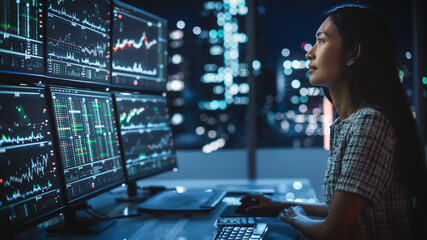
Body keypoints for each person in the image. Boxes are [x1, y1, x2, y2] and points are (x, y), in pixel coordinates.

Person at [240, 4, 427, 239]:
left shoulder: (369, 123)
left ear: (353, 53)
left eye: (322, 40)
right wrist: (277, 206)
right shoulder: (348, 124)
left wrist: (295, 218)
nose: (310, 52)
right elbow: (344, 212)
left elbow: (333, 231)